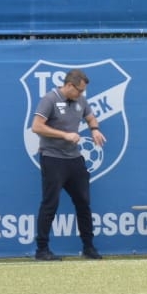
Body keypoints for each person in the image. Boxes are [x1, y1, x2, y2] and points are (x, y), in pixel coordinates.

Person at [31, 68, 105, 260]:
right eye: (80, 90)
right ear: (70, 85)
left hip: (74, 159)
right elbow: (36, 126)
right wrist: (64, 135)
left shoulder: (81, 100)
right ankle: (42, 250)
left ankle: (88, 247)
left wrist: (94, 129)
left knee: (83, 203)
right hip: (52, 158)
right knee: (50, 203)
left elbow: (90, 116)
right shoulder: (49, 99)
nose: (82, 94)